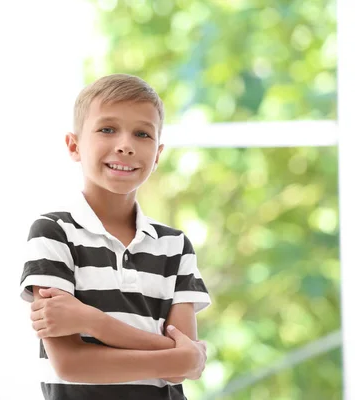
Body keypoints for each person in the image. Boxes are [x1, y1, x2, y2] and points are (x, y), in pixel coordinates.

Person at [19, 73, 212, 400]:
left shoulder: (176, 247)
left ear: (158, 154)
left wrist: (91, 321)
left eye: (142, 133)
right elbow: (71, 364)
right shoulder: (53, 233)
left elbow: (181, 367)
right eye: (107, 129)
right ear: (74, 145)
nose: (125, 145)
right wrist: (179, 354)